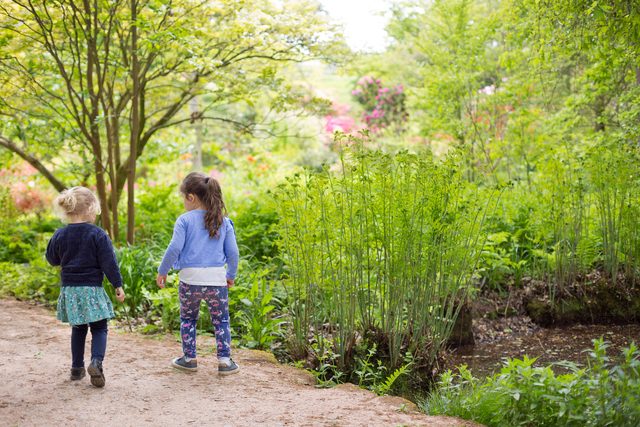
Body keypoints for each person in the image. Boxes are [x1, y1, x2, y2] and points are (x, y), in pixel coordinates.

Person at [157, 172, 240, 376]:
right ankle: (224, 361)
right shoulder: (224, 221)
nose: (183, 202)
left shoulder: (184, 220)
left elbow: (174, 247)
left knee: (188, 319)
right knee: (221, 321)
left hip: (189, 281)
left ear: (191, 197)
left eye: (183, 197)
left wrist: (163, 270)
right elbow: (233, 252)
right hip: (216, 281)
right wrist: (230, 274)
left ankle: (189, 359)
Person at [46, 186, 126, 388]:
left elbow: (52, 260)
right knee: (99, 327)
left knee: (78, 327)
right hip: (91, 288)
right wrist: (117, 285)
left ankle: (76, 368)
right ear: (90, 208)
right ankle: (96, 362)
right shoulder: (97, 234)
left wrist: (53, 240)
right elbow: (109, 262)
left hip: (70, 289)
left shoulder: (61, 235)